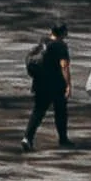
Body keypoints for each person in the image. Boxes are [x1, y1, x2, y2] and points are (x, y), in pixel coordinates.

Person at [22, 22, 71, 153]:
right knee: (60, 112)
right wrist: (68, 85)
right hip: (56, 85)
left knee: (38, 112)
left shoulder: (43, 42)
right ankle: (63, 139)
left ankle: (27, 137)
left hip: (39, 83)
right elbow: (64, 66)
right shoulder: (61, 46)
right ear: (63, 33)